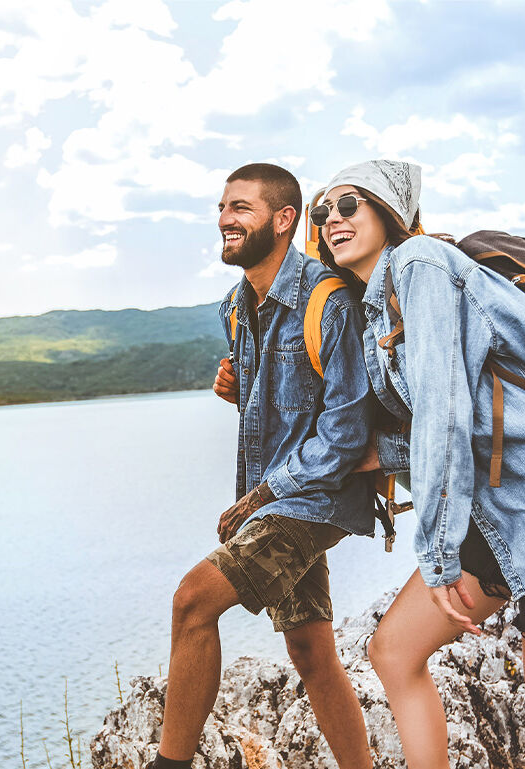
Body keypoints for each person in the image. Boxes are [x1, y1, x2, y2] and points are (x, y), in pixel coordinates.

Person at [312, 160, 525, 769]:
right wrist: (372, 455)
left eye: (347, 204)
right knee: (395, 652)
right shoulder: (381, 305)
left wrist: (435, 554)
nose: (331, 219)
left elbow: (445, 413)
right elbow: (474, 418)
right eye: (322, 211)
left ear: (391, 209)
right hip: (501, 518)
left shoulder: (420, 265)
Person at [148, 163, 375, 769]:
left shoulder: (327, 300)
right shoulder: (236, 304)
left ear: (283, 220)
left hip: (315, 497)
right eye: (223, 207)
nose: (225, 219)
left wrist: (263, 493)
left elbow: (347, 430)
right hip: (274, 496)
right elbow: (280, 400)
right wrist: (237, 387)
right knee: (309, 649)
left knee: (193, 600)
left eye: (241, 208)